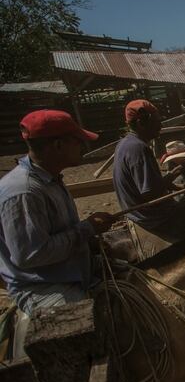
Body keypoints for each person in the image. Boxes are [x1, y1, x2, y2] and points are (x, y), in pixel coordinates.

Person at [0, 110, 116, 315]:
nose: (83, 146)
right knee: (99, 331)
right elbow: (30, 255)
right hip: (44, 288)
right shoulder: (24, 191)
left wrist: (87, 243)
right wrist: (86, 230)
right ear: (58, 145)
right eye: (78, 141)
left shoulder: (50, 180)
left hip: (72, 273)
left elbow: (58, 231)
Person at [112, 100, 185, 242]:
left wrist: (177, 187)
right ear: (142, 124)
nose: (160, 125)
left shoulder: (124, 144)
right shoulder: (139, 148)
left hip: (136, 211)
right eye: (157, 121)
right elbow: (150, 192)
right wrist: (179, 170)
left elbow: (150, 182)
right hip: (151, 216)